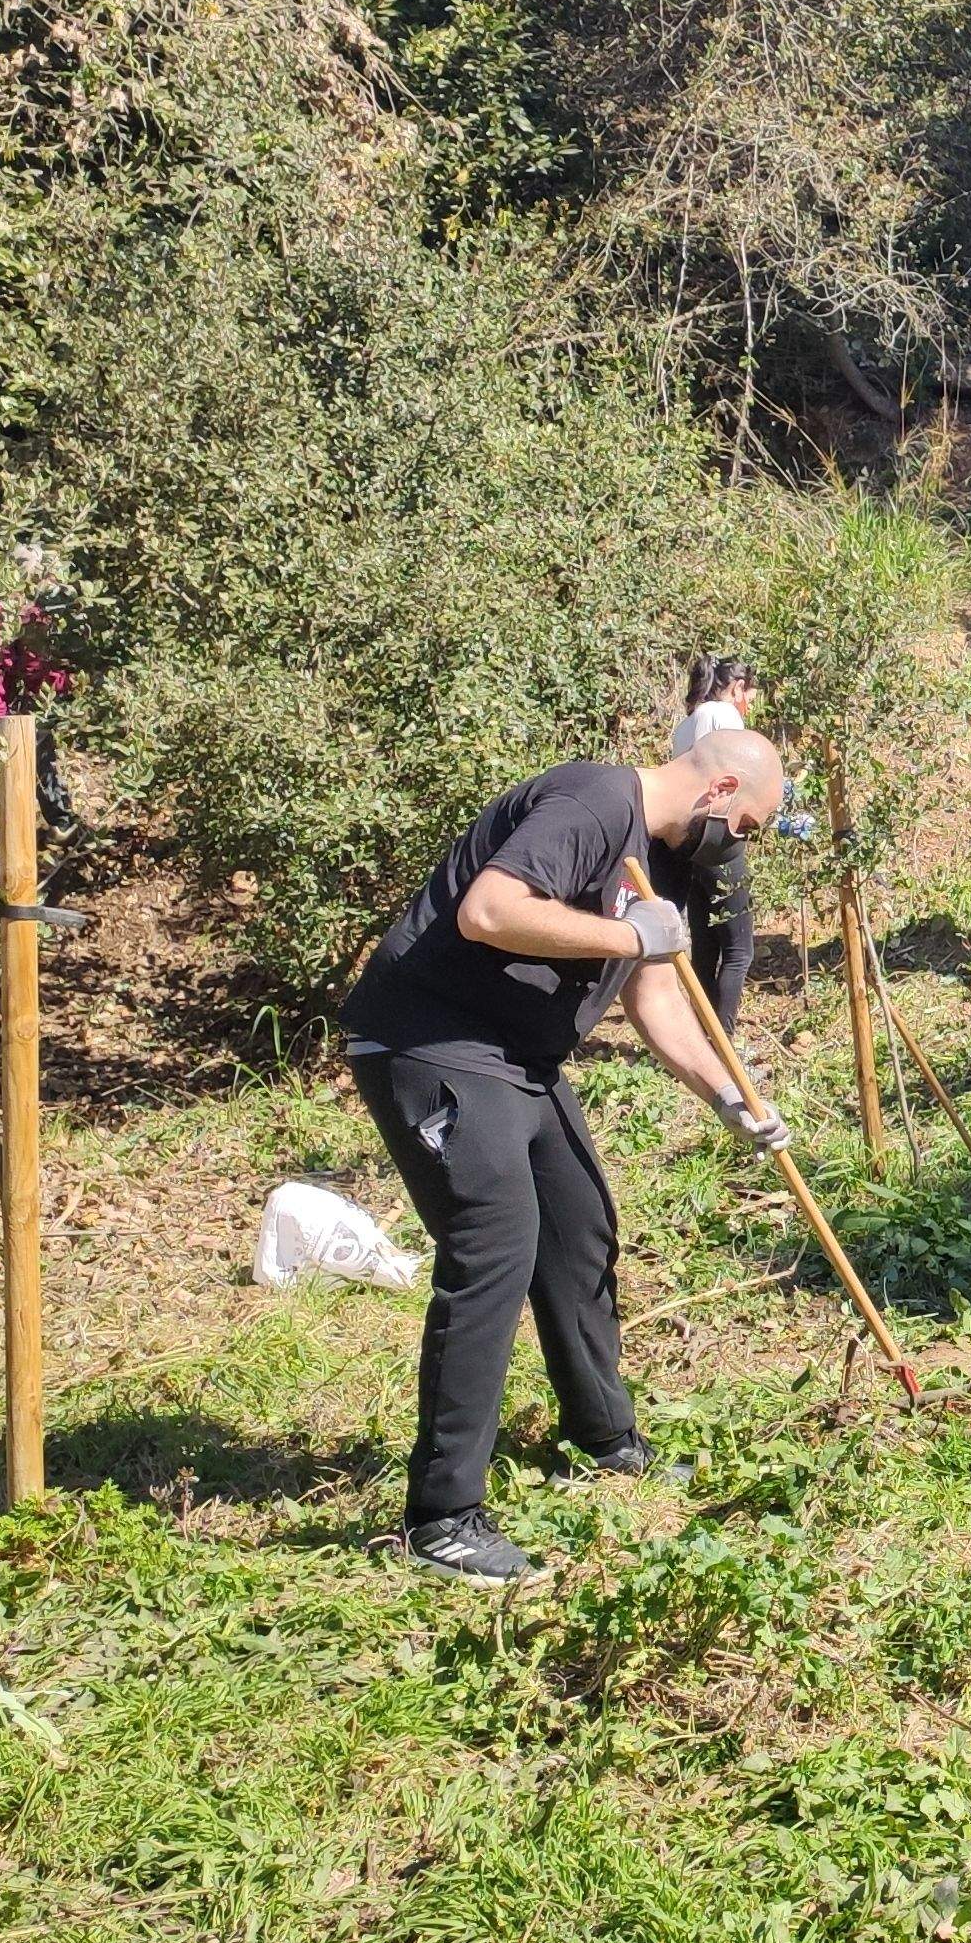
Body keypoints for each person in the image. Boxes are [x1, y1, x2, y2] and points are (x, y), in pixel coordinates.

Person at [337, 727, 791, 1586]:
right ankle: (443, 1517)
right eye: (750, 826)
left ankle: (604, 1436)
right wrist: (630, 939)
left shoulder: (650, 858)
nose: (742, 846)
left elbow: (656, 991)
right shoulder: (592, 801)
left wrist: (729, 1097)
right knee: (493, 1250)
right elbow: (491, 911)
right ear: (720, 789)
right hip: (432, 1041)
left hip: (519, 1058)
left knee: (579, 1230)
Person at [661, 656, 763, 1026]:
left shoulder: (687, 724)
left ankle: (700, 1033)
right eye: (749, 696)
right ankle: (725, 1046)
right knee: (739, 951)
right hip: (718, 837)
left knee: (705, 946)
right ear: (736, 689)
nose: (748, 706)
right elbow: (732, 779)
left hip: (688, 842)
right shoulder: (723, 715)